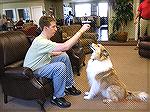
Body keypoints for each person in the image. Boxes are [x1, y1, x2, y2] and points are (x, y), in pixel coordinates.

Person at [23, 16, 90, 108]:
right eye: (53, 27)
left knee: (63, 56)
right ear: (46, 28)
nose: (56, 29)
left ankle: (68, 86)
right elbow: (65, 46)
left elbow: (44, 52)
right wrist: (81, 31)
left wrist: (53, 53)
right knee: (60, 66)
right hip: (33, 70)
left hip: (42, 63)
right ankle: (56, 98)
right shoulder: (41, 41)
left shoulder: (45, 39)